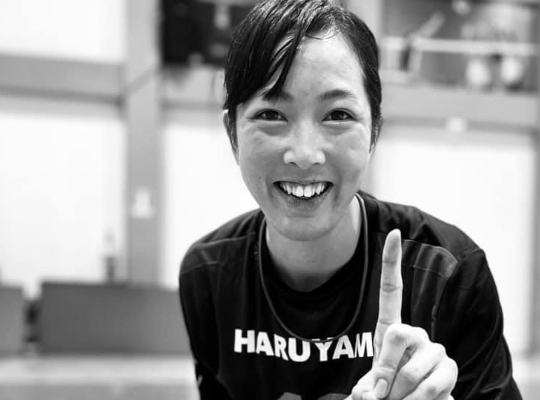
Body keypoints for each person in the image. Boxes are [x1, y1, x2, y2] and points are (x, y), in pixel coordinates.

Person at [178, 0, 522, 399]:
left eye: (338, 115)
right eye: (271, 114)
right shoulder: (208, 277)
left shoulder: (447, 275)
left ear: (374, 131)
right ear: (233, 134)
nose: (305, 154)